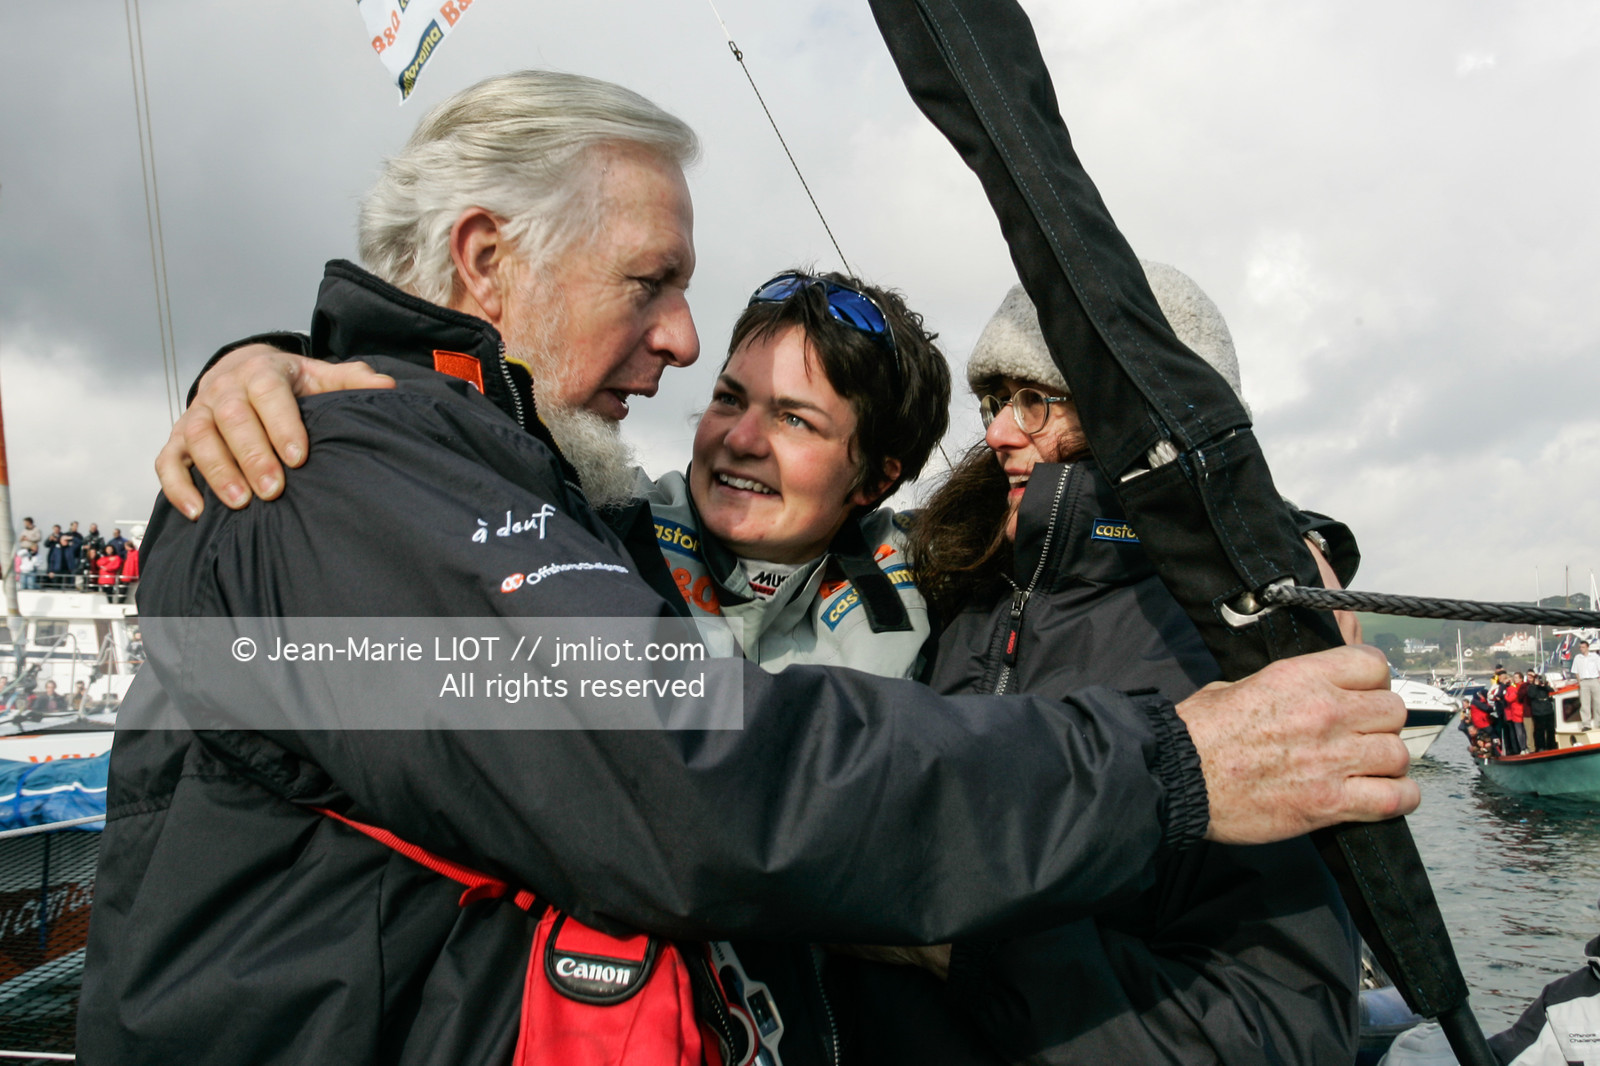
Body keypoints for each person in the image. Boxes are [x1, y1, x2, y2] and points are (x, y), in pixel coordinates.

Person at [89, 70, 1414, 1066]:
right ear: (487, 259)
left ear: (880, 477)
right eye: (655, 283)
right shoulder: (329, 478)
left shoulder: (480, 484)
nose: (678, 347)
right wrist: (1174, 766)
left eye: (797, 421)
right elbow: (690, 777)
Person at [827, 273, 1363, 1064]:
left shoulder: (1240, 665)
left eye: (1036, 399)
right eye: (993, 400)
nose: (1001, 432)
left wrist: (959, 945)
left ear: (1154, 419)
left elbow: (1279, 1036)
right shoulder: (949, 585)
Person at [1572, 640, 1600, 731]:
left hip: (1594, 680)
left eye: (1583, 647)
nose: (1581, 649)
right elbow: (1576, 671)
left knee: (1598, 702)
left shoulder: (1595, 657)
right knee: (1585, 704)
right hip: (1584, 681)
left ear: (1588, 647)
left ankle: (1599, 722)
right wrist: (1580, 681)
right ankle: (1586, 724)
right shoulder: (1577, 658)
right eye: (1580, 647)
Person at [1526, 672, 1557, 753]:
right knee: (1539, 731)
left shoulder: (1545, 687)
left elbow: (1552, 691)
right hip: (1538, 712)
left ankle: (1551, 746)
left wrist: (1545, 685)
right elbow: (1531, 695)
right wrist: (1536, 685)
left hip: (1548, 710)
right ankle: (1540, 747)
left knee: (1550, 730)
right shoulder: (1531, 687)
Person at [1502, 672, 1527, 756]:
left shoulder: (1514, 688)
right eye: (1514, 677)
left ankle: (1523, 748)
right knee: (1522, 732)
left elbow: (1509, 699)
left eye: (1516, 677)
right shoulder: (1516, 687)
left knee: (1520, 732)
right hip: (1518, 712)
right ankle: (1524, 748)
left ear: (1521, 678)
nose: (1515, 679)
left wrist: (1505, 695)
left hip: (1518, 712)